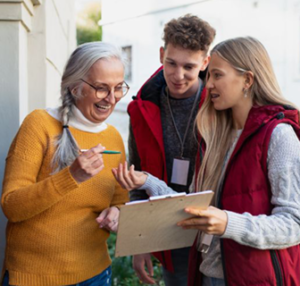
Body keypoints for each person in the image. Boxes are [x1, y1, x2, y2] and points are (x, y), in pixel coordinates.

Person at [113, 37, 300, 286]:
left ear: (248, 80)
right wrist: (148, 182)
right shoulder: (213, 135)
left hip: (254, 278)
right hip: (206, 274)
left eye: (217, 75)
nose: (208, 83)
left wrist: (227, 223)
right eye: (208, 75)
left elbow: (294, 224)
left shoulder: (279, 135)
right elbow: (195, 206)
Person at [1, 42, 130, 286]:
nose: (112, 99)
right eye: (101, 89)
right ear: (74, 87)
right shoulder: (39, 124)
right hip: (35, 277)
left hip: (95, 274)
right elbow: (12, 206)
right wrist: (71, 177)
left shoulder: (113, 137)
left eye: (118, 88)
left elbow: (119, 201)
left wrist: (117, 213)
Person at [127, 14, 215, 286]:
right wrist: (139, 241)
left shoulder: (220, 103)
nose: (178, 75)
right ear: (162, 54)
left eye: (189, 66)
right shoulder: (142, 108)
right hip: (170, 231)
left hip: (217, 229)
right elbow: (137, 175)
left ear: (205, 62)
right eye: (171, 63)